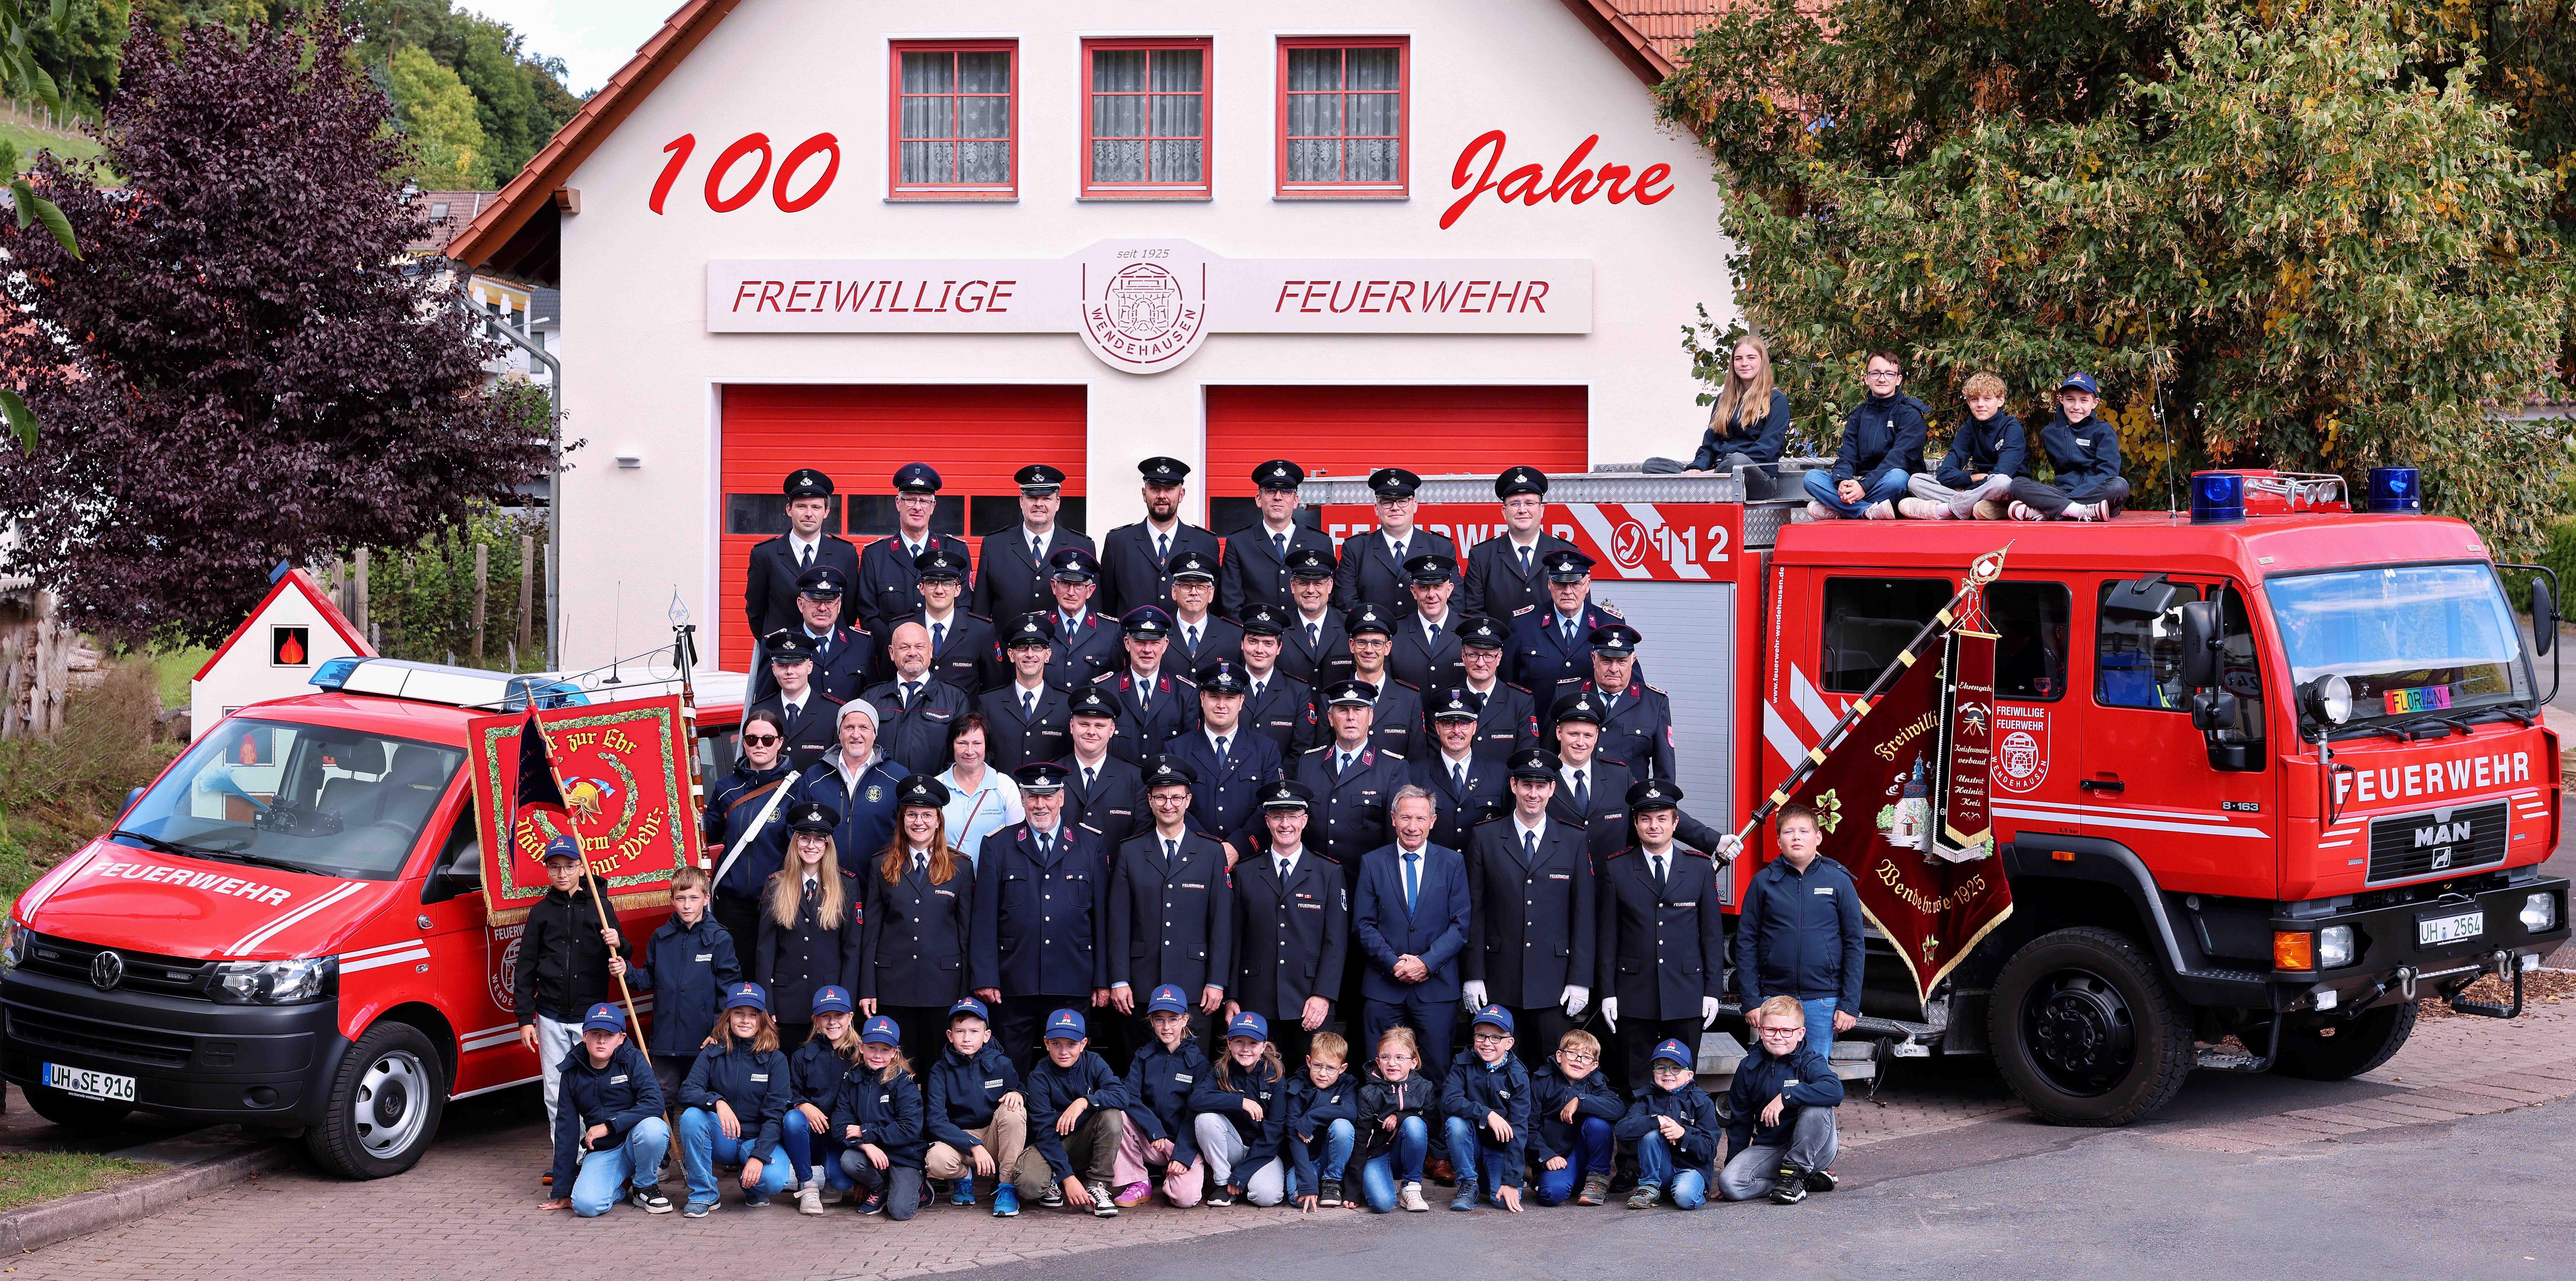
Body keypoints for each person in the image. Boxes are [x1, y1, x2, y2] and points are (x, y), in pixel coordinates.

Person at [971, 762, 1112, 1071]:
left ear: (1062, 798)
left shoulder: (1090, 844)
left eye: (1048, 796)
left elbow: (1102, 918)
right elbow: (983, 920)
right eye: (1033, 796)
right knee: (1010, 1067)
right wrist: (986, 977)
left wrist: (1103, 980)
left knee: (1070, 1068)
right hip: (1013, 982)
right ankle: (1014, 1121)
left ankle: (1070, 1122)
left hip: (1072, 980)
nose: (1040, 804)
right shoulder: (998, 845)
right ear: (1022, 799)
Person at [1462, 748, 1594, 1072]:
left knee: (1553, 1069)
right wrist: (1473, 975)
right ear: (1514, 786)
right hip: (1499, 978)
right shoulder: (1485, 837)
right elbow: (1474, 912)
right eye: (1526, 785)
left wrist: (1580, 979)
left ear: (1553, 789)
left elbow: (1584, 916)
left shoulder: (1574, 840)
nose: (1533, 794)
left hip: (1555, 983)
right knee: (1499, 1072)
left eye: (1541, 786)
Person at [1597, 779, 1727, 1090]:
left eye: (1661, 818)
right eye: (1645, 818)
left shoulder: (1698, 868)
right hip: (1633, 992)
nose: (1653, 826)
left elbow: (1711, 936)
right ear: (1636, 822)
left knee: (1680, 1079)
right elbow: (1607, 937)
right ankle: (1636, 1139)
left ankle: (1678, 1137)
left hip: (1685, 992)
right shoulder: (1616, 869)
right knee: (1634, 1081)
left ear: (1675, 822)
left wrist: (1712, 991)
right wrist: (1607, 992)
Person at [513, 834, 633, 1143]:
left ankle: (599, 1152)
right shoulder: (540, 913)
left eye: (569, 866)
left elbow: (626, 951)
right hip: (550, 1016)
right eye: (555, 868)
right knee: (555, 1089)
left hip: (591, 1018)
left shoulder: (601, 906)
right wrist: (526, 1018)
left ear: (582, 868)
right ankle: (567, 1158)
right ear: (548, 871)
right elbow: (525, 968)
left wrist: (618, 943)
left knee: (594, 1087)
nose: (562, 874)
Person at [1108, 761, 1234, 1050]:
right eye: (1161, 797)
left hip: (1194, 985)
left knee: (1193, 1072)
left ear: (1188, 800)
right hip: (1140, 986)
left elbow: (1222, 923)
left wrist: (1216, 982)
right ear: (1149, 800)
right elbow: (1118, 922)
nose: (1169, 805)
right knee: (1138, 1068)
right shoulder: (1130, 850)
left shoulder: (1211, 851)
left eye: (1176, 797)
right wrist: (1119, 980)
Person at [1353, 787, 1471, 1096]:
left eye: (1420, 818)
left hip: (1436, 988)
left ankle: (1432, 1141)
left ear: (1433, 821)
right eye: (1405, 816)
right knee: (1378, 1071)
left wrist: (1426, 964)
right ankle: (1379, 1138)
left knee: (1436, 1071)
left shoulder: (1452, 863)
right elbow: (1363, 925)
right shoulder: (1371, 862)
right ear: (1393, 819)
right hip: (1383, 987)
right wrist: (1394, 963)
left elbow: (1460, 926)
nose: (1412, 825)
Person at [1226, 780, 1348, 1069]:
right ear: (1267, 821)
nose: (1285, 824)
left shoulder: (1328, 873)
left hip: (1309, 999)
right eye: (1278, 816)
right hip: (1256, 997)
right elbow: (1233, 939)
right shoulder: (1245, 873)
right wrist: (1231, 996)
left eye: (1292, 816)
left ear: (1304, 820)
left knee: (1310, 1080)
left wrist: (1324, 995)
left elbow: (1336, 941)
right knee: (1259, 1078)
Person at [861, 776, 978, 1068]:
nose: (919, 822)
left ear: (939, 821)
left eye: (927, 815)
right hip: (892, 985)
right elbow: (870, 933)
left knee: (939, 1066)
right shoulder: (881, 864)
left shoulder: (960, 867)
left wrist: (965, 992)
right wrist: (867, 988)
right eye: (912, 814)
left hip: (943, 986)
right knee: (898, 1069)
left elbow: (967, 935)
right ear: (902, 820)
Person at [1729, 803, 1865, 1054]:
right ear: (1778, 840)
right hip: (1773, 999)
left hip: (1822, 1000)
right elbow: (1746, 943)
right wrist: (1750, 1001)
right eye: (1788, 832)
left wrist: (1848, 1004)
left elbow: (1854, 944)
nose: (1796, 837)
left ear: (1818, 837)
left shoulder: (1838, 882)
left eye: (1804, 831)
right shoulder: (1763, 882)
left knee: (1813, 1074)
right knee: (1772, 1072)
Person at [540, 1002, 673, 1217]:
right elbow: (566, 1128)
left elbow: (655, 1103)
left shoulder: (634, 1060)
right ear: (584, 1036)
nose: (602, 1040)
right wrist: (563, 1190)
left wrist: (610, 1126)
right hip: (604, 1151)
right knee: (586, 1206)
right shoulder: (571, 1070)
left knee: (654, 1129)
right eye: (596, 1033)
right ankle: (622, 1184)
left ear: (621, 1039)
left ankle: (644, 1186)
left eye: (609, 1035)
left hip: (635, 1141)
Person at [677, 982, 795, 1216]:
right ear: (728, 1016)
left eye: (753, 1015)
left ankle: (751, 1185)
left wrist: (759, 1157)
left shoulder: (776, 1059)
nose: (745, 1020)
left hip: (757, 1139)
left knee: (774, 1181)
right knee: (691, 1117)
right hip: (725, 1138)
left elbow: (776, 1114)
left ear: (762, 1020)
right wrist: (717, 1103)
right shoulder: (712, 1052)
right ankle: (704, 1194)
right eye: (739, 1013)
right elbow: (687, 1091)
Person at [756, 800, 866, 1050]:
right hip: (786, 1001)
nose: (811, 846)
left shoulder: (846, 885)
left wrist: (845, 1005)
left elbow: (853, 948)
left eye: (819, 839)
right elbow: (765, 950)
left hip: (830, 1003)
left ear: (828, 845)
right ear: (795, 842)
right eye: (804, 838)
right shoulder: (776, 885)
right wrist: (767, 1004)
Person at [629, 866, 742, 1108]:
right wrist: (625, 971)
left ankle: (699, 1145)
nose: (687, 905)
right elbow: (647, 979)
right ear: (672, 900)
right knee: (661, 1096)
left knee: (699, 1099)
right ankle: (663, 1147)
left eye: (694, 898)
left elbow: (729, 992)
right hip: (664, 1039)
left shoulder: (720, 939)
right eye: (681, 899)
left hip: (703, 1040)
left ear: (706, 899)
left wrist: (717, 1032)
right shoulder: (661, 937)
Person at [1720, 995, 1843, 1204]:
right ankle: (1802, 1181)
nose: (1778, 1037)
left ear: (1801, 1034)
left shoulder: (1810, 1061)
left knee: (1817, 1105)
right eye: (1771, 1030)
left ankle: (1797, 1172)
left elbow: (1835, 1091)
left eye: (1787, 1031)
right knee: (1730, 1185)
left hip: (1815, 1150)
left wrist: (1787, 1098)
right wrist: (1733, 1164)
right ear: (1760, 1031)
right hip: (1771, 1147)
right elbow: (1740, 1122)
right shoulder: (1748, 1067)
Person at [1018, 1008, 1135, 1216]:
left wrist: (1085, 1101)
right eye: (1056, 1044)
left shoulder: (1094, 1062)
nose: (1064, 1052)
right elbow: (1045, 1133)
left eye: (1071, 1045)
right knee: (1029, 1186)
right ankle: (1054, 1180)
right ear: (1046, 1043)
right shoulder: (1038, 1077)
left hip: (1084, 1141)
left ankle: (1098, 1186)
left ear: (1083, 1044)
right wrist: (1067, 1177)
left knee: (1112, 1116)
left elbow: (1122, 1095)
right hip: (1052, 1143)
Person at [1164, 660, 1280, 861]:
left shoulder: (1266, 749)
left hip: (1250, 861)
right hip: (1193, 859)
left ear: (1242, 701)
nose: (1221, 705)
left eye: (1230, 698)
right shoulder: (1177, 750)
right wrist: (1208, 848)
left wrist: (1238, 847)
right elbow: (1172, 807)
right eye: (1215, 697)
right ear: (1202, 698)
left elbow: (1271, 805)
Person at [921, 997, 1028, 1216]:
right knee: (935, 1161)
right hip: (959, 1138)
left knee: (1014, 1109)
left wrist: (1017, 1093)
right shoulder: (939, 1071)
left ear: (986, 1036)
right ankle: (964, 1177)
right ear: (950, 1036)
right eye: (960, 1032)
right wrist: (972, 1145)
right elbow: (935, 1120)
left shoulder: (1002, 1064)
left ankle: (1007, 1187)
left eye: (974, 1031)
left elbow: (1018, 1089)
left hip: (994, 1135)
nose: (967, 1038)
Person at [1295, 679, 1410, 879]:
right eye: (1343, 710)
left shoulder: (1393, 768)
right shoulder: (1309, 763)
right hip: (1314, 882)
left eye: (1358, 710)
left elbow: (1395, 838)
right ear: (1330, 718)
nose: (1350, 718)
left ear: (1371, 716)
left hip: (1366, 882)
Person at [1112, 984, 1211, 1208]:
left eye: (1173, 1019)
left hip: (1183, 1144)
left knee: (1185, 1199)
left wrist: (1183, 1156)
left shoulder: (1198, 1063)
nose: (1166, 1027)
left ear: (1185, 1020)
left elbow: (1197, 1112)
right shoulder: (1144, 1057)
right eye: (1159, 1020)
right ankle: (1139, 1181)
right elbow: (1129, 1095)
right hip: (1154, 1140)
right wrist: (1153, 1129)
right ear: (1151, 1021)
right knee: (1116, 1115)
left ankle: (1176, 1177)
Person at [705, 710, 798, 946]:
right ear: (744, 742)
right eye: (751, 739)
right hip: (732, 902)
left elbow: (799, 849)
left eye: (767, 739)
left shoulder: (796, 789)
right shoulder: (725, 787)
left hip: (776, 900)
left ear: (779, 742)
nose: (760, 745)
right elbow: (710, 835)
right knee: (735, 974)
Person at [1803, 350, 1929, 520]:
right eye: (1876, 373)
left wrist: (1864, 486)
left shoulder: (1911, 414)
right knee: (1812, 478)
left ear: (1898, 379)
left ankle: (1842, 509)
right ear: (1866, 378)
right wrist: (1843, 483)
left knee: (1898, 478)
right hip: (1862, 486)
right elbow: (1847, 456)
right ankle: (1865, 511)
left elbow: (1900, 459)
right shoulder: (1859, 415)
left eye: (1889, 374)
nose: (1882, 379)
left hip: (1892, 489)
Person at [829, 1013, 929, 1216]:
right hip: (871, 1154)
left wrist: (865, 1132)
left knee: (901, 1212)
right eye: (872, 1048)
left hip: (903, 1156)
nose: (877, 1055)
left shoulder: (904, 1083)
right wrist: (867, 1145)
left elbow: (909, 1129)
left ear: (894, 1053)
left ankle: (921, 1188)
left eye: (885, 1050)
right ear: (861, 1047)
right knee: (849, 1160)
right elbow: (840, 1126)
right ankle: (882, 1187)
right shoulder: (852, 1080)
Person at [855, 462, 973, 634]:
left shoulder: (956, 551)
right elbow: (868, 616)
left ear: (932, 507)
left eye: (924, 501)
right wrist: (900, 646)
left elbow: (964, 607)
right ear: (898, 503)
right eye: (910, 499)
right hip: (895, 655)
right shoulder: (875, 556)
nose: (917, 507)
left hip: (945, 652)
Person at [1551, 624, 1676, 784]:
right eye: (1606, 661)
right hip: (1575, 797)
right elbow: (1549, 750)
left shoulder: (1655, 703)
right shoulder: (1567, 694)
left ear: (1633, 661)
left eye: (1622, 662)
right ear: (1594, 659)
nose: (1614, 669)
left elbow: (1665, 770)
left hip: (1627, 802)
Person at [793, 703, 906, 877]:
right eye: (849, 728)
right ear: (839, 733)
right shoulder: (815, 777)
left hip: (882, 880)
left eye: (864, 728)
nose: (856, 735)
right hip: (827, 881)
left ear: (875, 733)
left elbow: (909, 830)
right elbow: (796, 830)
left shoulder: (897, 776)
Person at [745, 467, 860, 638]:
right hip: (782, 655)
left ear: (826, 512)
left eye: (816, 507)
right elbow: (756, 613)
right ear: (789, 510)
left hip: (829, 656)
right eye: (801, 506)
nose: (809, 514)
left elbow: (849, 611)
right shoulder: (765, 555)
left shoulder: (846, 554)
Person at [1099, 455, 1219, 618]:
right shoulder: (1119, 542)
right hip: (1132, 640)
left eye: (1170, 489)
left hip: (1186, 642)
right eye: (1155, 489)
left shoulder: (1205, 543)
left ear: (1181, 494)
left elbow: (1214, 604)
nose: (1162, 496)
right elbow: (1107, 604)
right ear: (1144, 493)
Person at [1191, 1011, 1291, 1207]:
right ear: (1229, 1044)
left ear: (1264, 1046)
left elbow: (1275, 1135)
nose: (1246, 1049)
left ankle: (1239, 1182)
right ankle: (1222, 1183)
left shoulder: (1275, 1077)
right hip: (1233, 1147)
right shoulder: (1221, 1070)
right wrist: (1240, 1102)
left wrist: (1242, 1174)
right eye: (1239, 1042)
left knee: (1266, 1198)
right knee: (1206, 1119)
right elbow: (1196, 1099)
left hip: (1263, 1152)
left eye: (1253, 1043)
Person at [974, 463, 1096, 623]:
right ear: (1021, 501)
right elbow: (980, 610)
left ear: (1057, 503)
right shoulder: (994, 546)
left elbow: (1094, 609)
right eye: (1032, 498)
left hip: (1063, 646)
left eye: (1047, 498)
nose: (1039, 504)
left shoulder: (1082, 546)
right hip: (1007, 646)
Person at [1902, 371, 2027, 520]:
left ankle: (1947, 510)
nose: (1980, 404)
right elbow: (1944, 473)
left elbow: (2003, 474)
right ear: (1968, 403)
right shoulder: (1970, 427)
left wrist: (1965, 488)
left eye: (1987, 399)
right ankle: (1973, 507)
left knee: (2002, 482)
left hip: (2006, 491)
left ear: (2000, 401)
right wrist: (1973, 478)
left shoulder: (2012, 427)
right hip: (1980, 490)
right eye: (1975, 399)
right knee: (1916, 481)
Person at [1440, 1005, 1530, 1212]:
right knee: (1456, 1123)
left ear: (1510, 1043)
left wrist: (1511, 1181)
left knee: (1501, 1201)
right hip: (1471, 1143)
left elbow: (1519, 1129)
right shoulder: (1463, 1062)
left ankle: (1493, 1178)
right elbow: (1449, 1100)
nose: (1487, 1043)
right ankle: (1468, 1184)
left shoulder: (1519, 1076)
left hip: (1498, 1148)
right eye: (1481, 1036)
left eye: (1496, 1038)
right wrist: (1487, 1114)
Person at [1616, 1037, 1723, 1210]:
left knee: (1685, 1198)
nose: (1667, 1073)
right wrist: (1655, 1120)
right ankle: (1650, 1186)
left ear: (1689, 1075)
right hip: (1661, 1169)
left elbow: (1709, 1151)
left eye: (1676, 1068)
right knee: (1650, 1134)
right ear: (1654, 1073)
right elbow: (1621, 1131)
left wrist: (1683, 1134)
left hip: (1691, 1168)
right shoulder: (1646, 1099)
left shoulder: (1702, 1102)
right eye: (1661, 1068)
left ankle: (1690, 1190)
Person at [1220, 458, 1335, 619]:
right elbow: (1231, 604)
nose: (1278, 498)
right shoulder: (1239, 543)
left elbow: (1329, 599)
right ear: (1259, 499)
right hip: (1258, 639)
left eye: (1286, 491)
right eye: (1271, 491)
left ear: (1296, 501)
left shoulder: (1321, 542)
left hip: (1304, 638)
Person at [2008, 371, 2130, 521]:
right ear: (2062, 400)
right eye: (2071, 400)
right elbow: (2058, 468)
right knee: (2017, 484)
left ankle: (2053, 510)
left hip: (2096, 495)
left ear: (2095, 403)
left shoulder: (2104, 431)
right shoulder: (2049, 433)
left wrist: (2066, 499)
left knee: (2119, 485)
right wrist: (2063, 497)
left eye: (2084, 401)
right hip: (2063, 492)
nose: (2076, 407)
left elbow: (2108, 473)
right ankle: (2077, 511)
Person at [747, 565, 877, 705]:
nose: (822, 608)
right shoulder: (778, 644)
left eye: (830, 602)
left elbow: (872, 699)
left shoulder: (862, 643)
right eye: (815, 602)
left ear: (839, 605)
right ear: (801, 604)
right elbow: (765, 704)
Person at [1335, 468, 1458, 616]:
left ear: (1415, 506)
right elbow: (1346, 601)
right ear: (1376, 509)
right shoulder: (1356, 549)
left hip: (1424, 637)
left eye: (1402, 501)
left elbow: (1455, 601)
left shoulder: (1441, 548)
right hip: (1374, 636)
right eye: (1387, 502)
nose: (1395, 508)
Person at [782, 986, 861, 1213]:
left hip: (841, 1137)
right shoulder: (802, 1056)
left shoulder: (861, 1056)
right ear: (816, 1020)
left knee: (843, 1182)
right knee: (793, 1119)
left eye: (839, 1016)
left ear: (850, 1018)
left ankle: (831, 1179)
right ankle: (807, 1186)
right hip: (809, 1135)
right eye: (825, 1016)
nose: (832, 1022)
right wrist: (803, 1105)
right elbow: (789, 1093)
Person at [1462, 466, 1578, 620]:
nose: (1523, 510)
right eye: (1515, 504)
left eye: (1530, 503)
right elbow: (1474, 612)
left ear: (1542, 510)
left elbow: (1579, 610)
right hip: (1500, 643)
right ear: (1504, 512)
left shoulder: (1566, 553)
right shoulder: (1482, 556)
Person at [1506, 550, 1630, 694]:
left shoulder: (1610, 624)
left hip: (1592, 715)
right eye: (1561, 584)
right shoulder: (1524, 624)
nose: (1568, 592)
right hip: (1536, 715)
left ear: (1588, 585)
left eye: (1576, 584)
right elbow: (1507, 684)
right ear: (1550, 585)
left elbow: (1629, 683)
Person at [1685, 334, 1790, 498]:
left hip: (1757, 477)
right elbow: (1709, 445)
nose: (1744, 364)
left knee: (1738, 461)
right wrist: (1697, 468)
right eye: (1739, 359)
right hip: (1718, 469)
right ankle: (1706, 479)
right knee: (1655, 465)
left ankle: (1711, 479)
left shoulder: (1776, 400)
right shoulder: (1724, 400)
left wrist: (1717, 472)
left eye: (1751, 358)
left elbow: (1766, 450)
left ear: (1762, 362)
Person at [1527, 1028, 1621, 1207]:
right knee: (1550, 1195)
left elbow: (1617, 1109)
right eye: (1573, 1054)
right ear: (1560, 1056)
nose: (1578, 1060)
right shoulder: (1541, 1081)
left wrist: (1581, 1101)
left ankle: (1597, 1181)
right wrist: (1546, 1156)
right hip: (1557, 1158)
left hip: (1584, 1156)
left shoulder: (1596, 1083)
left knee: (1599, 1124)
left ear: (1594, 1066)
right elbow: (1528, 1127)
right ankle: (1549, 1180)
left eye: (1586, 1057)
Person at [1096, 606, 1201, 766]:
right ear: (1127, 644)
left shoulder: (1185, 694)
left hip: (1164, 788)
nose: (1147, 650)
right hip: (1118, 788)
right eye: (1140, 642)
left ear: (1165, 645)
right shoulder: (1105, 690)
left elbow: (1189, 753)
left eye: (1155, 643)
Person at [863, 621, 971, 776]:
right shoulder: (871, 699)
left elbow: (961, 754)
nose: (913, 653)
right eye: (904, 647)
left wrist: (933, 789)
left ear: (931, 650)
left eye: (920, 647)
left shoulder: (955, 699)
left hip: (935, 795)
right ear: (892, 653)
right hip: (880, 795)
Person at [1414, 687, 1508, 852]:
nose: (1456, 731)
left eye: (1464, 723)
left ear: (1474, 727)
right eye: (1449, 723)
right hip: (1435, 872)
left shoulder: (1500, 775)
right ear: (1437, 728)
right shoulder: (1415, 775)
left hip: (1483, 872)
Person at [1353, 1026, 1435, 1213]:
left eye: (1400, 1057)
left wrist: (1402, 1117)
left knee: (1414, 1124)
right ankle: (1380, 1182)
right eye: (1385, 1057)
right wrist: (1354, 1190)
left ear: (1413, 1062)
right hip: (1377, 1155)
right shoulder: (1368, 1093)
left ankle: (1411, 1189)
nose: (1392, 1063)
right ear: (1378, 1062)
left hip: (1405, 1155)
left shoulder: (1424, 1088)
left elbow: (1433, 1124)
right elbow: (1360, 1139)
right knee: (1382, 1204)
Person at [978, 614, 1072, 774]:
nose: (1030, 654)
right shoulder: (989, 704)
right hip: (1003, 797)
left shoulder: (1066, 705)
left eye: (1037, 647)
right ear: (1011, 654)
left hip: (1048, 797)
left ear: (1048, 655)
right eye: (1022, 647)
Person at [899, 547, 996, 697]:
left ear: (958, 590)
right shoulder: (901, 629)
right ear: (922, 588)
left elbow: (993, 690)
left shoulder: (982, 632)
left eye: (947, 583)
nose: (939, 590)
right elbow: (889, 684)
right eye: (932, 583)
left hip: (962, 718)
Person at [1058, 686, 1145, 850]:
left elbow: (1139, 842)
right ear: (1072, 726)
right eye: (1084, 724)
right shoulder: (1054, 775)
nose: (1092, 732)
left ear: (1112, 730)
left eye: (1100, 726)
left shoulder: (1134, 779)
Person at [1283, 1030, 1359, 1210]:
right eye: (1318, 1066)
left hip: (1329, 1157)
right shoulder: (1297, 1087)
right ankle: (1315, 1184)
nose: (1323, 1074)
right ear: (1309, 1061)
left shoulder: (1347, 1084)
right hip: (1302, 1159)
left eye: (1331, 1068)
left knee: (1343, 1126)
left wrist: (1311, 1117)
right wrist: (1307, 1181)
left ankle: (1332, 1181)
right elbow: (1294, 1135)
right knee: (1298, 1199)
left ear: (1342, 1068)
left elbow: (1350, 1112)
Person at [1336, 603, 1423, 760]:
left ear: (1388, 648)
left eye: (1377, 643)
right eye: (1362, 642)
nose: (1369, 650)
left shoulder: (1409, 700)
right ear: (1352, 646)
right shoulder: (1333, 698)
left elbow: (1417, 761)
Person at [937, 714, 1024, 868]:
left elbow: (1017, 842)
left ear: (987, 745)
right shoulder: (937, 787)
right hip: (946, 882)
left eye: (977, 743)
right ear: (952, 745)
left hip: (994, 883)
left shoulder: (1005, 786)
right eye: (962, 743)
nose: (970, 751)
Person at [750, 631, 844, 771]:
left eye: (797, 665)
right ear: (774, 669)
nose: (790, 672)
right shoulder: (760, 711)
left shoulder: (833, 712)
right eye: (783, 666)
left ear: (810, 667)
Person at [1235, 603, 1320, 758]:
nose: (1260, 650)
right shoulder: (1227, 686)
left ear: (1279, 648)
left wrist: (1275, 780)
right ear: (1242, 644)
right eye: (1253, 641)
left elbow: (1301, 750)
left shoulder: (1298, 692)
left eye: (1268, 643)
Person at [1454, 615, 1539, 757]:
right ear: (1463, 656)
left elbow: (1525, 758)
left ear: (1499, 658)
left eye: (1488, 656)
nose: (1481, 663)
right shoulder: (1447, 700)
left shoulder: (1520, 703)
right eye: (1474, 655)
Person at [1042, 547, 1125, 692]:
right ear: (1054, 587)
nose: (1071, 593)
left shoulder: (1110, 631)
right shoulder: (1039, 626)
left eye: (1079, 586)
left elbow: (1117, 685)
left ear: (1091, 590)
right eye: (1065, 584)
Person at [1386, 554, 1466, 695]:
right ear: (1414, 592)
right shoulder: (1396, 634)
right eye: (1424, 588)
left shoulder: (1468, 631)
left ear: (1449, 590)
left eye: (1438, 587)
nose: (1431, 595)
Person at [1276, 546, 1353, 687]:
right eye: (1304, 583)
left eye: (1318, 583)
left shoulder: (1349, 627)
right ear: (1293, 586)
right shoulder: (1279, 628)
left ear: (1330, 586)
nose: (1311, 591)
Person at [1165, 550, 1242, 673]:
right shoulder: (1160, 633)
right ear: (1174, 592)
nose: (1194, 593)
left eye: (1201, 587)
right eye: (1186, 586)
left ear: (1211, 593)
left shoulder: (1235, 636)